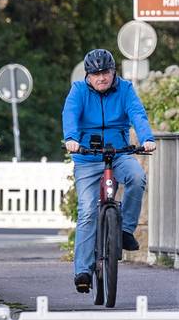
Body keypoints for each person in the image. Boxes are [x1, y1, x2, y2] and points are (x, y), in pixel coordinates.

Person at [61, 48, 154, 295]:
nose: (102, 78)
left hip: (119, 151)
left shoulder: (124, 89)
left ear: (114, 72)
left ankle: (125, 231)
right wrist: (70, 138)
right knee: (88, 211)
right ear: (88, 75)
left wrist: (146, 138)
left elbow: (137, 113)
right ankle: (82, 271)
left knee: (137, 176)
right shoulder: (79, 91)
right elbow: (69, 114)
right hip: (87, 156)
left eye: (106, 73)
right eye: (96, 74)